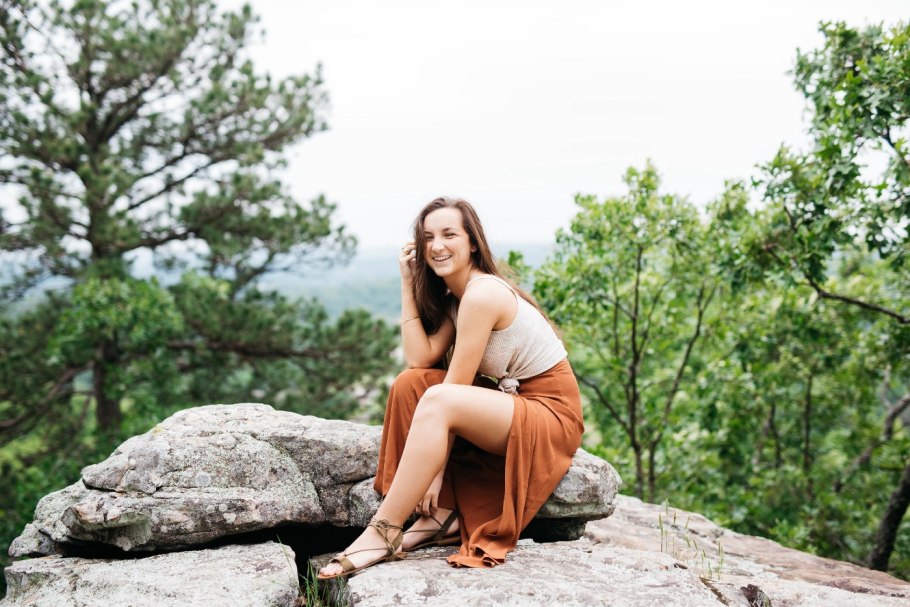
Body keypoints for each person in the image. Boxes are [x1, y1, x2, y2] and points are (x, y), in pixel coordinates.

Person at [318, 197, 584, 579]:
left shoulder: (482, 294)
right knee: (411, 384)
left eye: (449, 234)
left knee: (438, 398)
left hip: (550, 414)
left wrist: (436, 475)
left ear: (472, 242)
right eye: (428, 237)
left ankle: (384, 531)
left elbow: (452, 391)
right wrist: (407, 284)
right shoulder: (455, 299)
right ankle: (439, 518)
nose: (437, 245)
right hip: (511, 406)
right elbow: (419, 361)